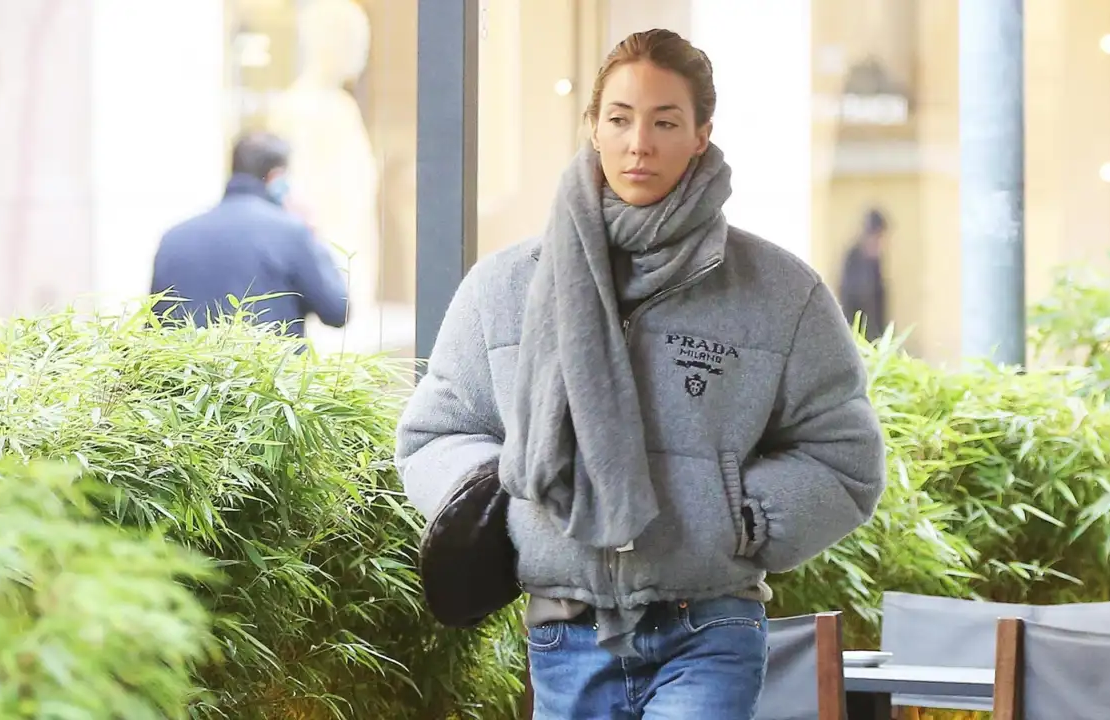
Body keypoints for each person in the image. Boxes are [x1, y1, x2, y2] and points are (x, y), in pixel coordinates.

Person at [396, 29, 885, 720]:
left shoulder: (779, 292)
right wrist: (513, 505)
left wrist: (740, 518)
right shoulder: (504, 287)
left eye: (665, 122)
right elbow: (436, 432)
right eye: (620, 119)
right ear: (592, 126)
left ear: (701, 134)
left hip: (709, 626)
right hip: (565, 630)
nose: (639, 143)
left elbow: (846, 456)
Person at [150, 132, 348, 338]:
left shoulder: (173, 238)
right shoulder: (291, 234)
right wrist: (313, 235)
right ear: (276, 177)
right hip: (269, 370)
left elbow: (153, 329)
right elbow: (337, 311)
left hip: (184, 370)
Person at [838, 208, 890, 342]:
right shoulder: (853, 258)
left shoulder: (875, 262)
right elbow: (851, 297)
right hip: (856, 335)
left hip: (875, 335)